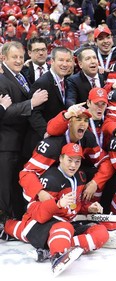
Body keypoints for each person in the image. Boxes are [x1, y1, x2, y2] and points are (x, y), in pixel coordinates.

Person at [3, 143, 109, 275]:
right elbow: (35, 211)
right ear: (60, 158)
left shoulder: (80, 176)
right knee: (63, 228)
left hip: (64, 226)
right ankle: (57, 256)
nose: (73, 165)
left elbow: (75, 204)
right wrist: (57, 204)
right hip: (41, 224)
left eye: (77, 161)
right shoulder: (50, 178)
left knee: (101, 233)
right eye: (69, 160)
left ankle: (53, 248)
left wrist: (89, 208)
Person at [19, 108, 114, 206]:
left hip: (69, 176)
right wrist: (40, 192)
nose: (83, 123)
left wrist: (95, 182)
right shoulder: (52, 145)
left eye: (85, 120)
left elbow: (105, 161)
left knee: (86, 175)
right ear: (69, 123)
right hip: (48, 182)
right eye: (78, 119)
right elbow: (26, 173)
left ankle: (87, 208)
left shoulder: (88, 137)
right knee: (54, 178)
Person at [0, 41, 48, 219]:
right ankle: (3, 222)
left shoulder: (20, 76)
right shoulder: (1, 79)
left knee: (13, 185)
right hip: (6, 143)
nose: (19, 60)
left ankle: (12, 220)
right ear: (4, 58)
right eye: (14, 57)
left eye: (21, 57)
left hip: (19, 142)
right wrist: (31, 103)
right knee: (5, 186)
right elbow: (4, 113)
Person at [24, 46, 73, 160]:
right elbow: (33, 112)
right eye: (61, 60)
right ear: (52, 61)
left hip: (57, 139)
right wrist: (46, 132)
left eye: (68, 60)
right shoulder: (42, 82)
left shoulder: (65, 81)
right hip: (41, 142)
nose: (65, 64)